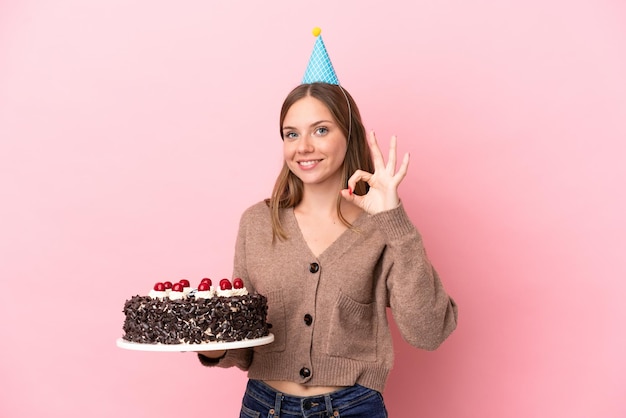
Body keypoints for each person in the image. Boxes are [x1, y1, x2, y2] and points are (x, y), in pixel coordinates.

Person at [198, 30, 458, 418]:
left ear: (346, 133)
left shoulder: (383, 229)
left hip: (352, 408)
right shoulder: (257, 223)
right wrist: (213, 345)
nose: (303, 146)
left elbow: (429, 332)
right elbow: (246, 341)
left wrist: (394, 220)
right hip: (263, 407)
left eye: (320, 130)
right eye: (291, 134)